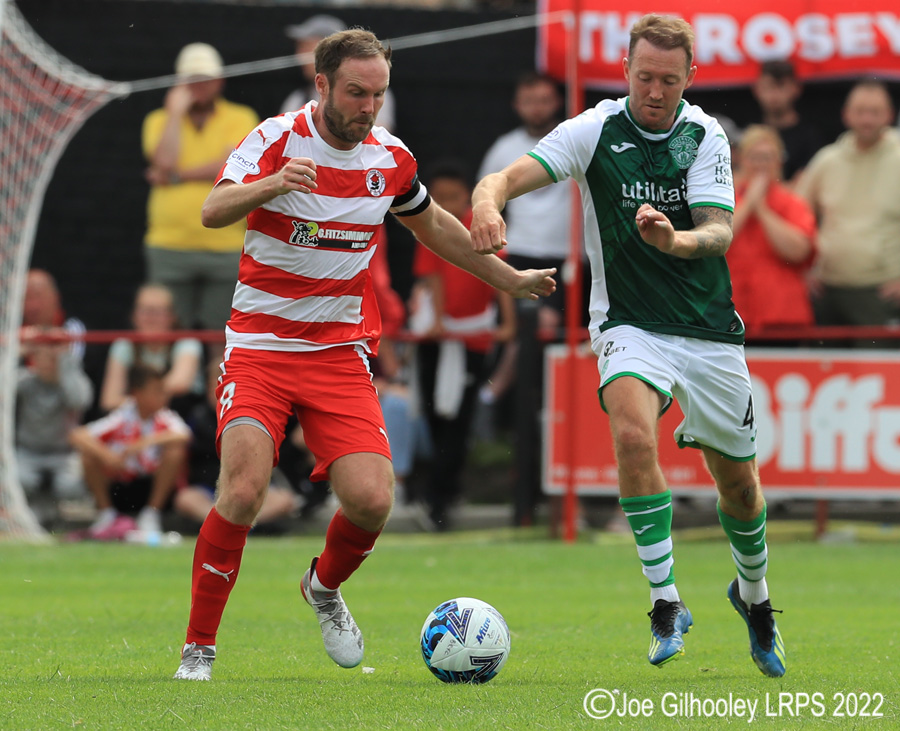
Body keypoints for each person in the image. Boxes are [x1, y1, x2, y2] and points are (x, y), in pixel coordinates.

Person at [172, 28, 556, 681]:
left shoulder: (390, 158)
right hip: (261, 346)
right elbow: (213, 210)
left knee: (373, 499)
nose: (367, 106)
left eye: (378, 94)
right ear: (322, 84)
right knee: (241, 489)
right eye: (355, 92)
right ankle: (199, 648)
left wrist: (508, 278)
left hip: (336, 352)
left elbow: (437, 228)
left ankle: (322, 587)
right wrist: (270, 188)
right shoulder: (274, 140)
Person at [471, 14, 785, 677]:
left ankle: (754, 599)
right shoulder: (595, 128)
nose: (654, 90)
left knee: (742, 490)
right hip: (628, 322)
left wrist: (673, 241)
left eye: (669, 80)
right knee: (635, 437)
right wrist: (487, 202)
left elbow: (719, 231)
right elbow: (503, 177)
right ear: (626, 70)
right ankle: (666, 601)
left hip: (707, 329)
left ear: (689, 79)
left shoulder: (704, 134)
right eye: (644, 76)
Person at [412, 161, 515, 530]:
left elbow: (497, 272)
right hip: (440, 337)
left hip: (472, 338)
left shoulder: (478, 223)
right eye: (440, 197)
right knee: (436, 418)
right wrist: (437, 321)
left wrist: (509, 325)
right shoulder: (429, 221)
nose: (447, 203)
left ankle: (440, 497)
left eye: (453, 197)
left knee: (457, 422)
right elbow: (433, 278)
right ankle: (440, 493)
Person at [142, 42, 259, 333]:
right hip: (169, 244)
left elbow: (232, 167)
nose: (199, 86)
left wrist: (176, 178)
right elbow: (164, 162)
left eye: (205, 79)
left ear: (219, 81)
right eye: (192, 80)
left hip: (226, 244)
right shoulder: (158, 119)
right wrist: (173, 114)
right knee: (163, 335)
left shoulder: (241, 117)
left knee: (223, 334)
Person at [797, 80, 900, 345]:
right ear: (846, 114)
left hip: (881, 293)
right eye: (861, 111)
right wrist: (802, 270)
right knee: (823, 373)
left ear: (890, 115)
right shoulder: (827, 160)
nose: (867, 119)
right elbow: (795, 215)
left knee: (877, 377)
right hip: (826, 290)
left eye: (875, 112)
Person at [70, 364, 191, 539]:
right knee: (88, 455)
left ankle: (151, 514)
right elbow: (78, 435)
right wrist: (107, 456)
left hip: (150, 486)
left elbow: (184, 435)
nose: (163, 396)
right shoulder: (122, 416)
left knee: (175, 452)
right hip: (120, 484)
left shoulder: (165, 417)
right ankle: (106, 514)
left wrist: (144, 442)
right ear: (137, 394)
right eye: (157, 391)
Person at [175, 363, 299, 529]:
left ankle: (242, 525)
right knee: (186, 499)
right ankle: (220, 524)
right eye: (216, 385)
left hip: (251, 489)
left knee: (284, 500)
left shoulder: (254, 414)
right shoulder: (197, 417)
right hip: (208, 489)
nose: (221, 391)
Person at [729, 125, 816, 334]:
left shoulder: (793, 203)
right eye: (754, 157)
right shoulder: (725, 200)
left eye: (767, 158)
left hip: (782, 316)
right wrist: (749, 202)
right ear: (742, 160)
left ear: (778, 161)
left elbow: (798, 251)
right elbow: (716, 242)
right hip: (731, 314)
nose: (761, 165)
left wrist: (762, 210)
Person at [16, 339, 93, 524]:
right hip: (28, 451)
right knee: (19, 480)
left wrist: (66, 365)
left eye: (54, 357)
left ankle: (64, 515)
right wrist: (18, 354)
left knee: (71, 487)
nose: (49, 362)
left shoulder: (74, 381)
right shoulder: (25, 380)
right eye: (44, 356)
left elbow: (79, 401)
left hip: (63, 453)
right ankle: (37, 509)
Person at [281, 15, 396, 133]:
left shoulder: (376, 93)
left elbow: (375, 139)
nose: (299, 56)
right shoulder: (298, 98)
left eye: (307, 48)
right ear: (320, 85)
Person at [99, 284, 203, 414]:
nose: (151, 318)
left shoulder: (186, 342)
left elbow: (180, 384)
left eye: (158, 312)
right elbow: (109, 400)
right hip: (134, 424)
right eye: (145, 311)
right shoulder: (124, 345)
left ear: (172, 317)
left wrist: (137, 399)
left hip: (179, 419)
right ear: (134, 316)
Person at [751, 60, 824, 185]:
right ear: (757, 89)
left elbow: (808, 183)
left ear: (796, 88)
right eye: (768, 87)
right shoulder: (749, 134)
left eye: (781, 86)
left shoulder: (810, 137)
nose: (774, 94)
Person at [21, 269, 86, 362]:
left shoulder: (73, 327)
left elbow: (76, 364)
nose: (33, 306)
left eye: (38, 296)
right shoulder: (13, 331)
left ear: (56, 297)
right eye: (26, 298)